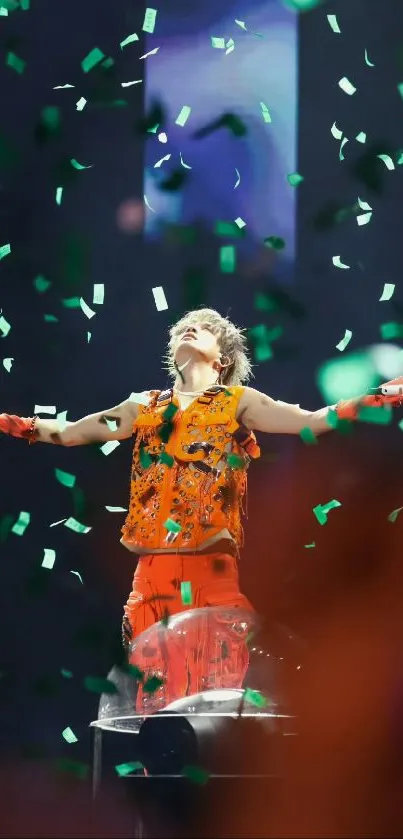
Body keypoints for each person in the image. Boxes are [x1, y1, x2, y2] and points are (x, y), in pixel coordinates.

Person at [0, 308, 401, 710]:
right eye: (185, 328)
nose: (192, 328)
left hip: (209, 573)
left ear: (222, 359)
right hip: (149, 579)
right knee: (153, 698)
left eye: (206, 329)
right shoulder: (144, 406)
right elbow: (70, 433)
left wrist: (374, 397)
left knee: (210, 694)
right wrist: (12, 424)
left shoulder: (237, 402)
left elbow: (313, 421)